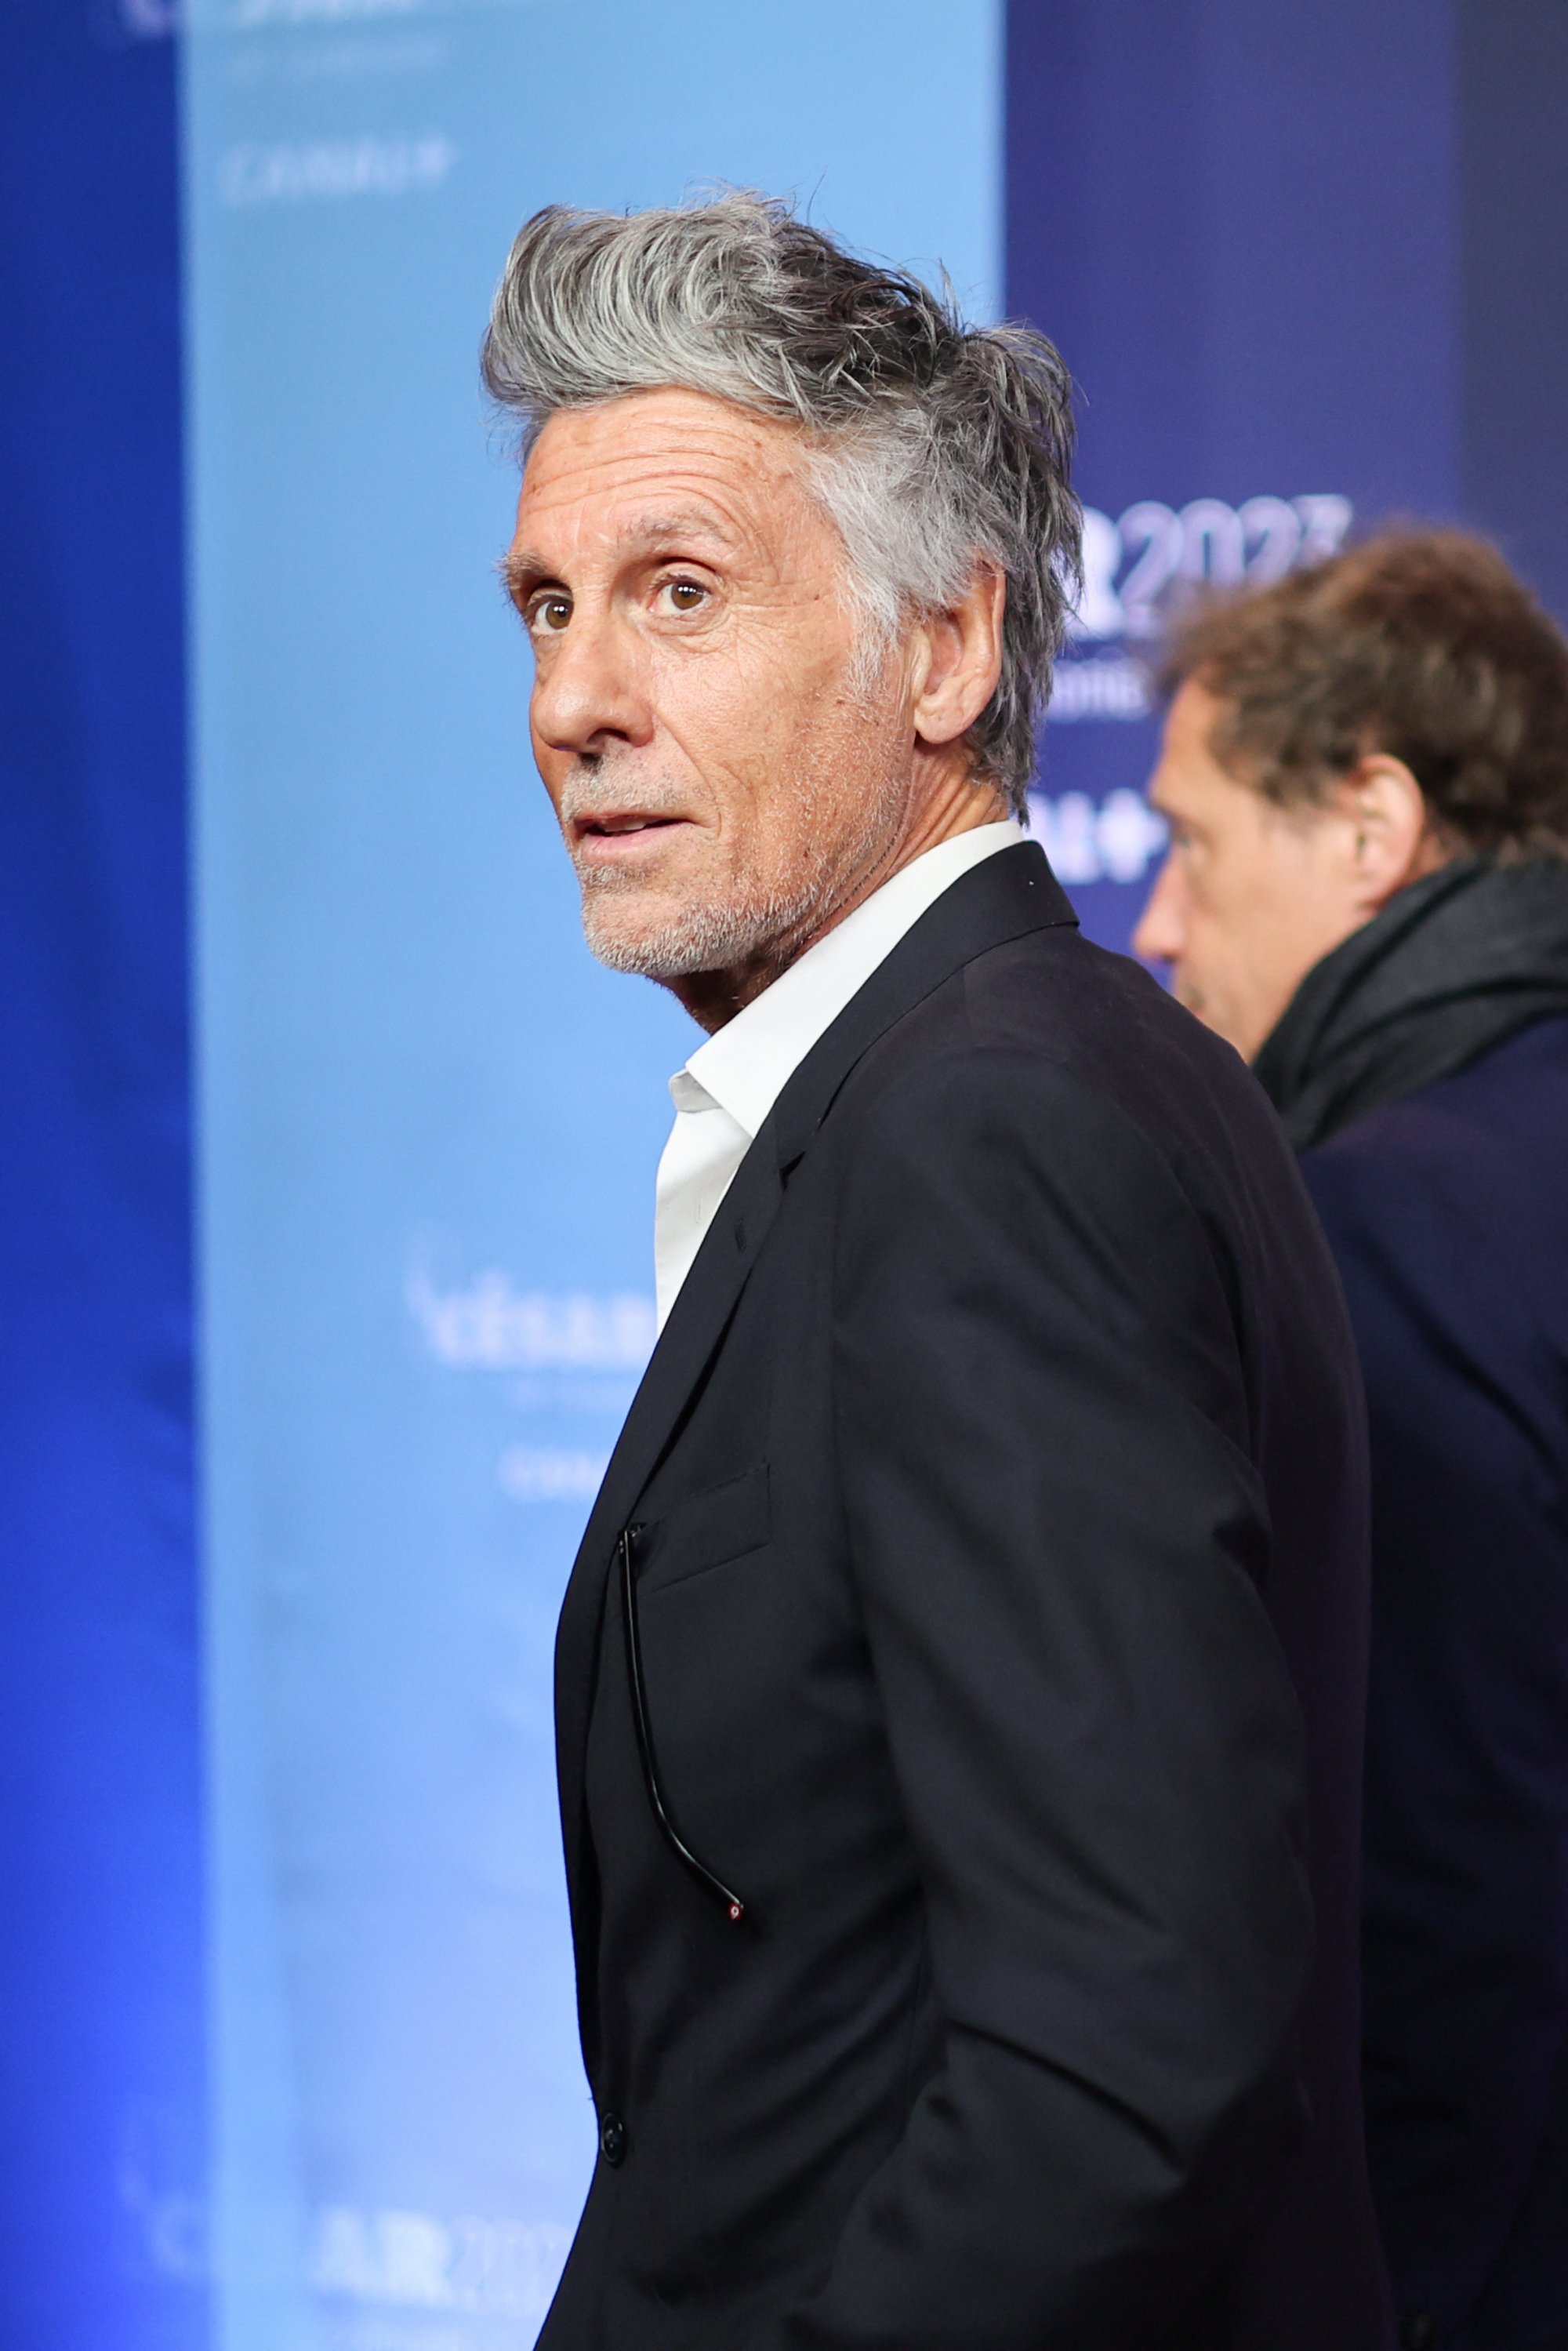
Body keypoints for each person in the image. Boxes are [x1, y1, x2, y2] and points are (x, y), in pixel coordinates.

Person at [485, 192, 1390, 2350]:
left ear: (948, 649)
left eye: (679, 592)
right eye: (545, 608)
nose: (576, 699)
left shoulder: (991, 1125)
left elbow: (1126, 2057)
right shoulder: (972, 1080)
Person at [1136, 529, 1568, 2351]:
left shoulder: (1374, 1226)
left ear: (1371, 826)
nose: (1155, 925)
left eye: (1191, 841)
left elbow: (1440, 1900)